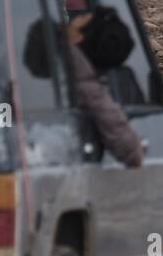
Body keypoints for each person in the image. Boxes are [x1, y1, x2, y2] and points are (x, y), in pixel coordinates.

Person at [22, 10, 142, 167]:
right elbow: (112, 121)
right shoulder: (73, 68)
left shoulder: (70, 67)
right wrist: (134, 154)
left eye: (82, 17)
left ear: (79, 38)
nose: (74, 19)